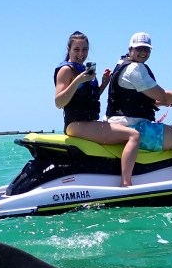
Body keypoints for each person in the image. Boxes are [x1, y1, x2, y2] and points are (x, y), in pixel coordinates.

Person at [106, 32, 172, 182]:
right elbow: (163, 96)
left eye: (146, 49)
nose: (143, 52)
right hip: (133, 126)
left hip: (118, 123)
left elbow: (144, 99)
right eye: (139, 48)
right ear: (130, 49)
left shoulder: (122, 64)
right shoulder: (135, 69)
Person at [54, 31, 141, 187]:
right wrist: (77, 80)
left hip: (87, 123)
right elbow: (59, 102)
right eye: (77, 49)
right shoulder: (66, 70)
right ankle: (126, 184)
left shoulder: (83, 69)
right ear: (69, 49)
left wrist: (103, 84)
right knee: (133, 136)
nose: (81, 54)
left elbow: (87, 100)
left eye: (85, 49)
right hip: (76, 125)